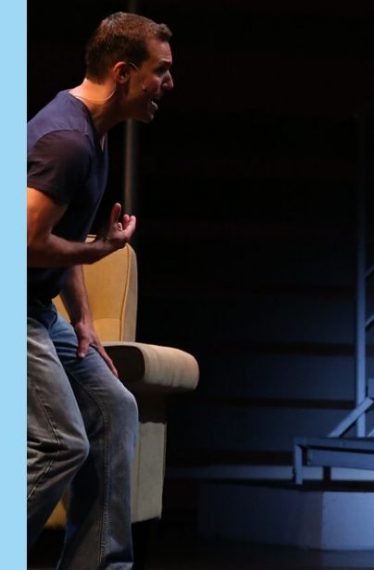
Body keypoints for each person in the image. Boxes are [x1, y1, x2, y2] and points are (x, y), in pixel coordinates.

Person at [27, 12, 174, 569]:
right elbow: (24, 244)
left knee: (115, 409)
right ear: (122, 72)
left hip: (39, 310)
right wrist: (96, 251)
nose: (168, 84)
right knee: (60, 442)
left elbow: (61, 237)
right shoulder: (67, 141)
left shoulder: (94, 132)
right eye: (160, 71)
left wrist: (84, 320)